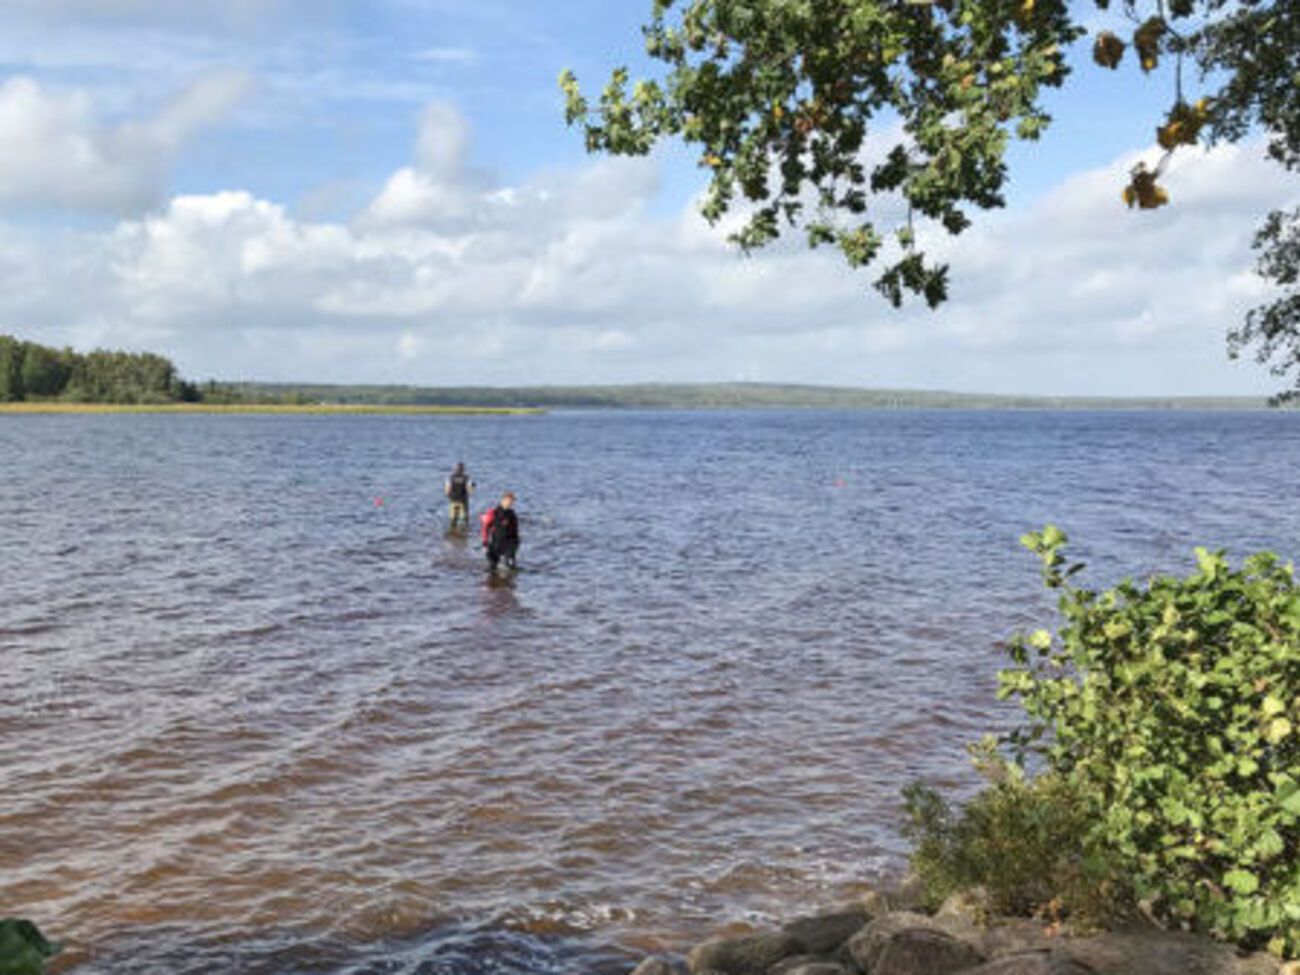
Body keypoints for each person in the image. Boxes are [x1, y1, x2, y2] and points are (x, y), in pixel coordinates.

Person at [482, 491, 519, 571]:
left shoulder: (512, 514)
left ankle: (509, 582)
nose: (511, 503)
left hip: (509, 543)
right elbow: (485, 528)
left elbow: (515, 530)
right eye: (510, 501)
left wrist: (516, 543)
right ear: (504, 500)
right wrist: (485, 543)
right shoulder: (493, 513)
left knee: (510, 565)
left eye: (512, 501)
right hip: (495, 543)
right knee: (492, 568)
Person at [444, 462, 474, 531]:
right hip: (462, 501)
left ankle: (452, 532)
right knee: (464, 519)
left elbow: (447, 490)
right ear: (463, 469)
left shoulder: (450, 477)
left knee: (452, 519)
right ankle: (463, 535)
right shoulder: (466, 478)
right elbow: (470, 491)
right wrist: (472, 490)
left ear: (455, 469)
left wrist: (449, 496)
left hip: (453, 500)